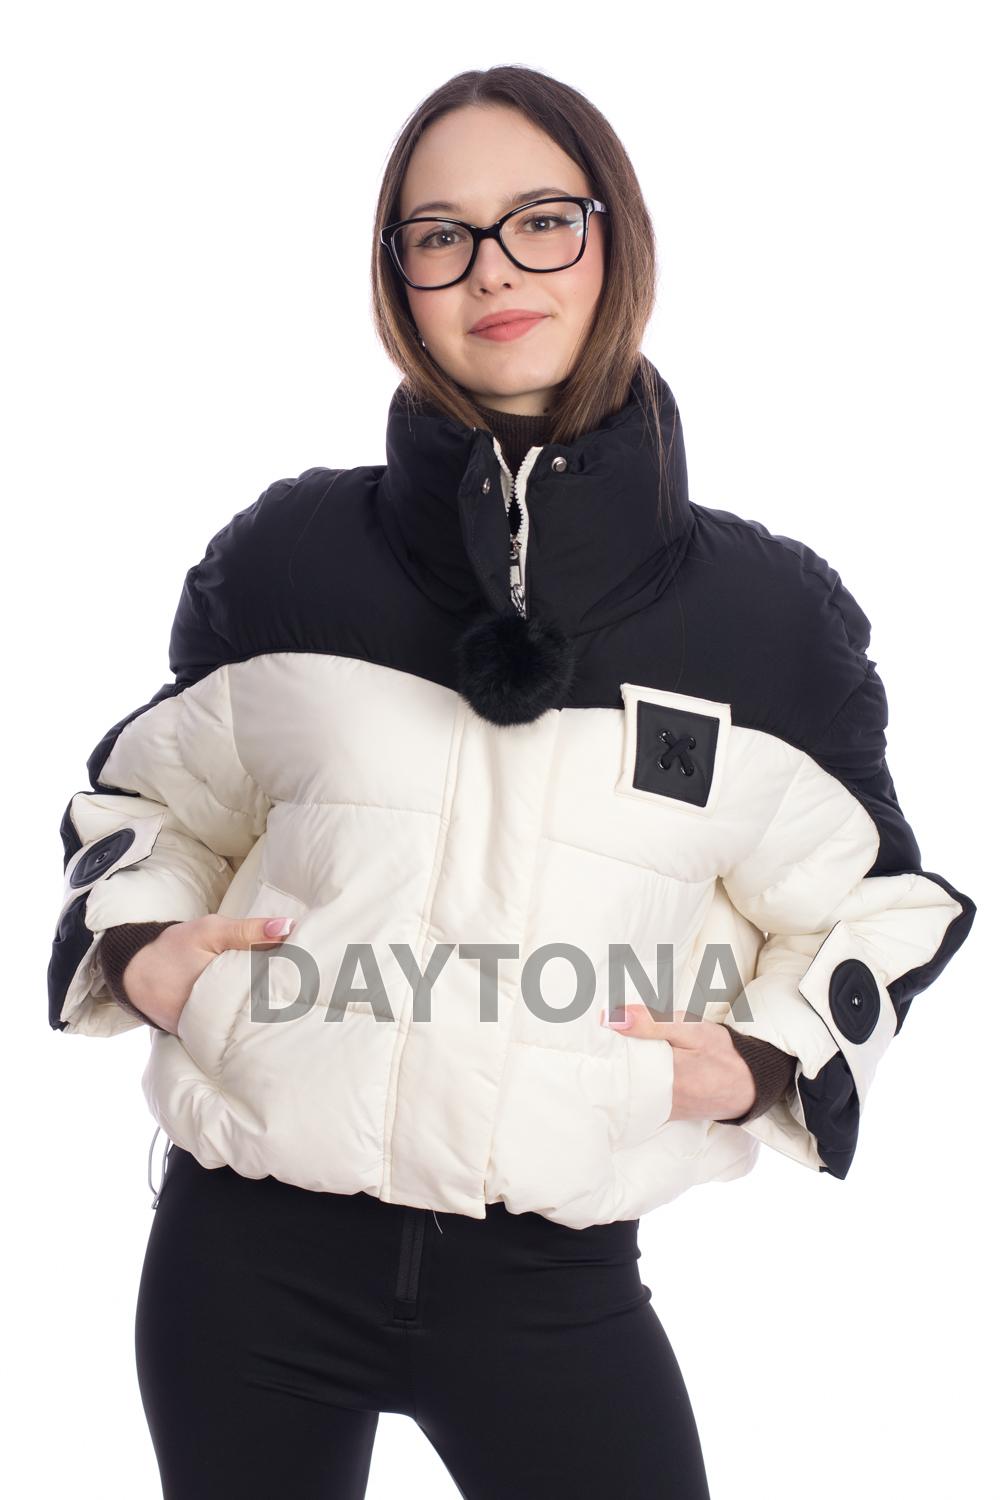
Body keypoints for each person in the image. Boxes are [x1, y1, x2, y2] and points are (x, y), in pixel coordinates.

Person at [47, 65, 975, 1500]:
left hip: (553, 1294)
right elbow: (151, 805)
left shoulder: (768, 620)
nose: (493, 270)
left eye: (541, 219)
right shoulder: (289, 560)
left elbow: (875, 906)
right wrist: (149, 952)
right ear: (398, 276)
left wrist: (759, 1061)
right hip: (242, 1270)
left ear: (616, 237)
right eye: (441, 235)